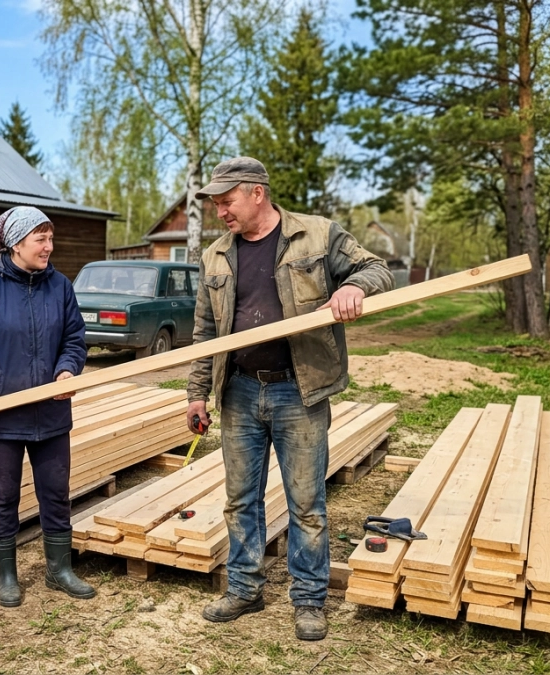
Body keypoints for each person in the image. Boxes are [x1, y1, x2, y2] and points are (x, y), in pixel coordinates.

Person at [185, 157, 393, 640]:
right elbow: (205, 332)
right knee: (241, 499)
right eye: (216, 203)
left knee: (306, 502)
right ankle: (244, 588)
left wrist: (353, 287)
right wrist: (197, 394)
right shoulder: (217, 254)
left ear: (257, 192)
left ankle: (308, 599)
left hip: (298, 390)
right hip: (237, 389)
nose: (221, 211)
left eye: (227, 200)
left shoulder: (317, 236)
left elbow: (376, 269)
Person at [0, 206, 94, 608]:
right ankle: (7, 575)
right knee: (3, 495)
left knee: (56, 494)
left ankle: (59, 570)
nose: (49, 246)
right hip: (3, 417)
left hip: (53, 413)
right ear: (15, 243)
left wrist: (66, 371)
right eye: (40, 239)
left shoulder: (59, 286)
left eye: (51, 238)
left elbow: (75, 338)